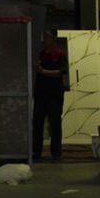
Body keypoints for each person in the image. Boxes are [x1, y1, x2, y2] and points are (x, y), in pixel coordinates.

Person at [32, 30, 68, 162]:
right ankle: (36, 152)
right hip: (41, 93)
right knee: (37, 123)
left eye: (47, 37)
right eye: (44, 37)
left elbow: (60, 73)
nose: (45, 39)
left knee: (55, 124)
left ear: (53, 38)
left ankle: (56, 153)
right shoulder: (40, 54)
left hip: (54, 94)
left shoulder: (60, 54)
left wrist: (43, 71)